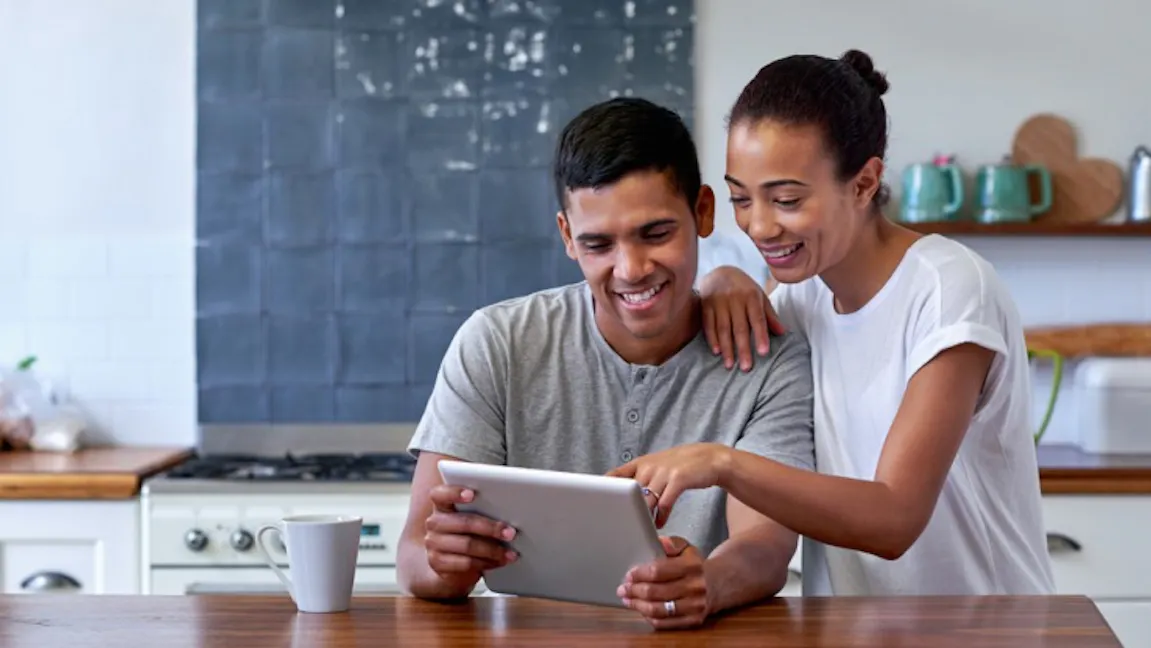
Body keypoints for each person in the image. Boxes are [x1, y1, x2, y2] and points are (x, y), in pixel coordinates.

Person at [609, 50, 1056, 597]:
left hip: (987, 625)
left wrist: (722, 463)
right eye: (740, 198)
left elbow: (894, 519)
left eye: (787, 199)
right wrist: (723, 278)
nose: (760, 226)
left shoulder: (949, 290)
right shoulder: (799, 296)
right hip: (855, 629)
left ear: (865, 183)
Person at [396, 97, 816, 629]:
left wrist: (707, 583)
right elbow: (414, 555)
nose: (631, 269)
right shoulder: (497, 343)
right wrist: (445, 566)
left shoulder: (769, 359)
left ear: (703, 212)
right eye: (598, 244)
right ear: (567, 236)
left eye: (656, 234)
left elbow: (765, 545)